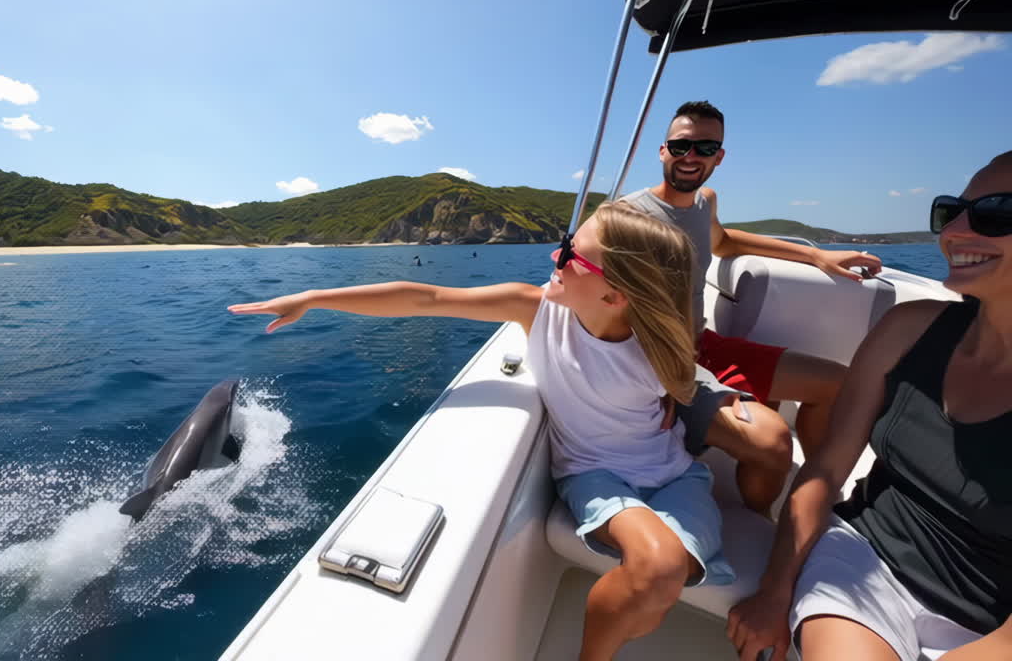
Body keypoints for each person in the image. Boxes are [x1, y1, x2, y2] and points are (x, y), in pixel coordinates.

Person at [230, 202, 735, 660]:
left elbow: (671, 394)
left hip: (675, 474)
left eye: (570, 256)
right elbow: (425, 297)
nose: (554, 261)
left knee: (667, 577)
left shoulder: (658, 343)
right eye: (563, 246)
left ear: (616, 292)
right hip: (595, 473)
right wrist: (315, 298)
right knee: (660, 567)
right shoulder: (535, 309)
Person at [727, 152, 1012, 661]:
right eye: (951, 212)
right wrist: (774, 590)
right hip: (865, 562)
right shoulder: (909, 329)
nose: (957, 231)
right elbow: (826, 467)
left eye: (995, 213)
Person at [623, 100, 882, 511]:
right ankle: (759, 518)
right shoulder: (629, 218)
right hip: (659, 364)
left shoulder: (704, 201)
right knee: (773, 443)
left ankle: (821, 498)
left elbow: (724, 241)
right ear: (663, 150)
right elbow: (596, 305)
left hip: (704, 346)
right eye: (681, 146)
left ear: (719, 157)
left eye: (705, 148)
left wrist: (816, 256)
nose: (691, 157)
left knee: (839, 383)